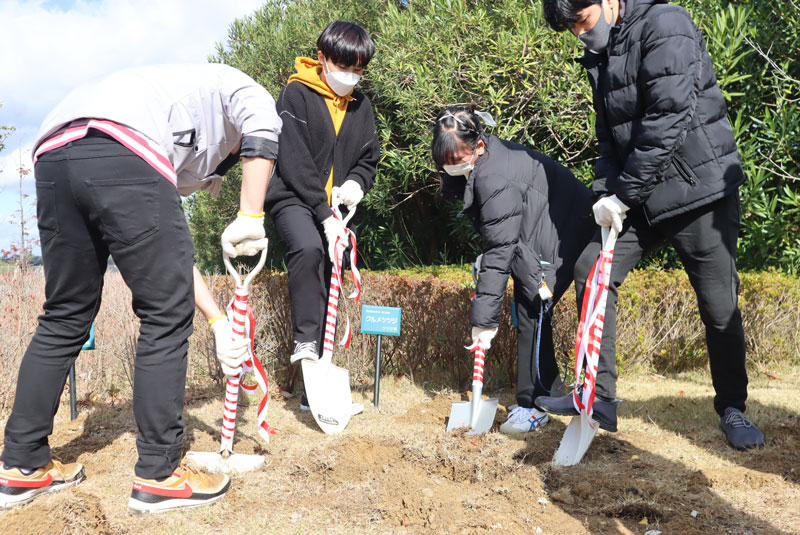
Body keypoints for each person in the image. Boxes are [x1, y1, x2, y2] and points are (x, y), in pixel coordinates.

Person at [0, 63, 282, 512]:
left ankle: (21, 464)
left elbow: (170, 261)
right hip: (121, 144)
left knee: (65, 314)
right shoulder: (236, 86)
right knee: (164, 315)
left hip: (53, 151)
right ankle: (161, 472)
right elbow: (265, 125)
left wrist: (217, 319)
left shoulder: (163, 101)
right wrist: (251, 215)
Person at [536, 0, 764, 450]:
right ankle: (598, 398)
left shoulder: (666, 23)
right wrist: (606, 196)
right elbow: (610, 138)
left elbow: (667, 120)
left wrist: (623, 195)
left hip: (698, 191)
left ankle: (733, 408)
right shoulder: (603, 51)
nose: (579, 35)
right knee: (592, 270)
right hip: (641, 194)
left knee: (719, 308)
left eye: (581, 23)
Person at [432, 106, 595, 436]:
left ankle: (533, 405)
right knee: (531, 307)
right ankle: (544, 390)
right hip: (536, 231)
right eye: (445, 161)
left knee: (533, 307)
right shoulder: (481, 162)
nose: (451, 166)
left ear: (478, 146)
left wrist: (483, 322)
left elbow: (500, 248)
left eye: (457, 158)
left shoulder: (495, 177)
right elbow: (498, 236)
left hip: (565, 233)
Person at [265, 20, 379, 375]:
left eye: (357, 70)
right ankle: (305, 341)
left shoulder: (362, 106)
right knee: (309, 247)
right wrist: (322, 215)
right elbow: (294, 161)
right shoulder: (296, 94)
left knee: (334, 269)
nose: (350, 76)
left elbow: (368, 156)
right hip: (293, 198)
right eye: (343, 67)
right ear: (322, 57)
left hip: (337, 207)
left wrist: (358, 183)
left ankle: (319, 371)